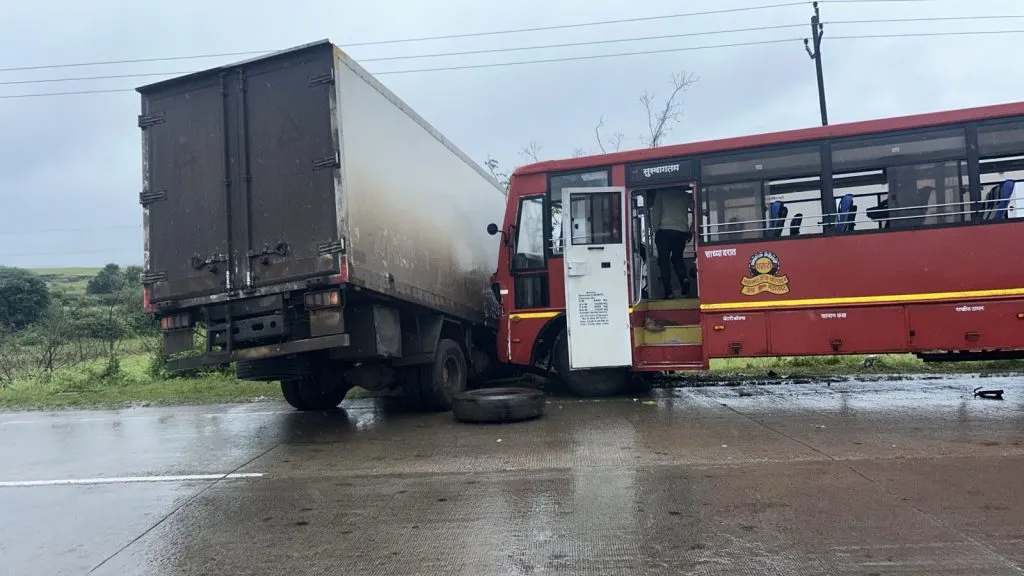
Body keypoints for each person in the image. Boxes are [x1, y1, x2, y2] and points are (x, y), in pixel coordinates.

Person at [652, 188, 693, 299]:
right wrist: (691, 229)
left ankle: (668, 292)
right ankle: (684, 279)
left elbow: (656, 214)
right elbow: (697, 209)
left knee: (664, 262)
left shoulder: (660, 193)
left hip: (664, 232)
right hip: (681, 232)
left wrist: (656, 230)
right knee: (677, 258)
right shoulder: (684, 195)